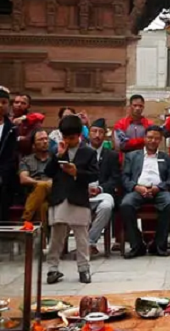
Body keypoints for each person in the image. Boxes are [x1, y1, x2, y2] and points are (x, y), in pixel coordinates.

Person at [44, 114, 99, 284]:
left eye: (72, 138)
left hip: (79, 197)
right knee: (56, 236)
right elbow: (49, 172)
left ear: (79, 136)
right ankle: (52, 269)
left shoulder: (88, 152)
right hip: (60, 196)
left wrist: (77, 173)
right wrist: (59, 156)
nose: (68, 141)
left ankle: (84, 269)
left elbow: (94, 174)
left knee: (81, 236)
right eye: (65, 137)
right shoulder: (58, 149)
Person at [120, 126, 170, 258]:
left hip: (159, 190)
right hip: (138, 190)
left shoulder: (166, 157)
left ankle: (158, 244)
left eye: (156, 138)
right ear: (144, 138)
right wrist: (136, 187)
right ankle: (137, 244)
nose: (152, 141)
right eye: (150, 137)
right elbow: (125, 177)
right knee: (126, 205)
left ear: (160, 140)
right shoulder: (132, 156)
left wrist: (159, 187)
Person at [88, 119, 121, 256]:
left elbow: (115, 179)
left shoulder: (111, 155)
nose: (97, 135)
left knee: (107, 205)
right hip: (81, 193)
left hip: (101, 193)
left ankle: (89, 242)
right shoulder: (79, 152)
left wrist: (100, 189)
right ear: (88, 133)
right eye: (94, 131)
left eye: (100, 132)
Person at [18, 130, 52, 222]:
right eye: (40, 139)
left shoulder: (54, 159)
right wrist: (39, 182)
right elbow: (23, 179)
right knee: (42, 206)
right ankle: (43, 236)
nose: (44, 142)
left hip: (53, 190)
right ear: (33, 145)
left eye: (46, 139)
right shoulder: (26, 160)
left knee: (43, 186)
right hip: (35, 192)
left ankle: (25, 218)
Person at [0, 88, 18, 221]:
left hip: (4, 180)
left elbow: (12, 156)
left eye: (4, 102)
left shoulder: (12, 129)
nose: (1, 105)